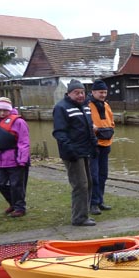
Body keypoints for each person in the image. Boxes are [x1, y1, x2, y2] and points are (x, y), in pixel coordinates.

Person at [53, 79, 98, 226]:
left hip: (85, 151)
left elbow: (89, 128)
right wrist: (70, 150)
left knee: (89, 183)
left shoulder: (85, 107)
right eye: (76, 92)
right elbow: (59, 132)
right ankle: (79, 218)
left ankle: (83, 212)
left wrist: (94, 145)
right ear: (69, 93)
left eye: (82, 92)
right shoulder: (62, 108)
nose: (80, 95)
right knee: (80, 184)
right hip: (72, 152)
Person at [87, 80, 115, 215]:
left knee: (103, 175)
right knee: (94, 175)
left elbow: (112, 122)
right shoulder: (87, 106)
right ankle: (93, 203)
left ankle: (100, 200)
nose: (103, 95)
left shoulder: (107, 106)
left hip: (106, 144)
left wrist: (110, 132)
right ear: (93, 92)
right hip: (93, 146)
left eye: (105, 92)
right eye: (100, 92)